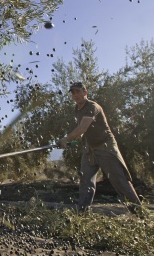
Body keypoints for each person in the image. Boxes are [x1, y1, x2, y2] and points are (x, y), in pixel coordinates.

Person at [59, 82, 142, 214]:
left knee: (119, 181)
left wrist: (66, 138)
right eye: (73, 93)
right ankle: (82, 212)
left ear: (85, 92)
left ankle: (139, 213)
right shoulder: (77, 109)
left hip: (105, 147)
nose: (75, 95)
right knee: (85, 180)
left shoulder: (92, 107)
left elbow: (82, 128)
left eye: (78, 92)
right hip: (90, 149)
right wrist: (73, 141)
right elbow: (84, 131)